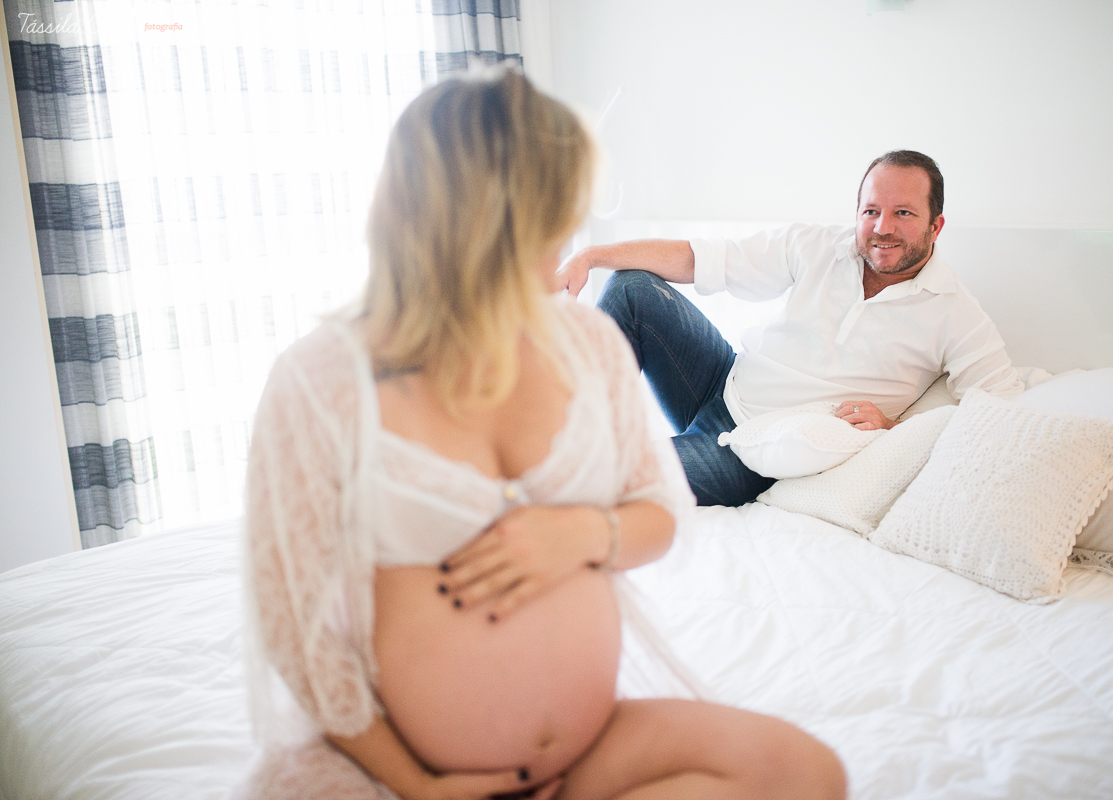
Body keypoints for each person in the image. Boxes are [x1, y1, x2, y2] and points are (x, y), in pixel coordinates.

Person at [239, 69, 845, 800]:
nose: (565, 241)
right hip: (415, 774)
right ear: (478, 218)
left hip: (586, 753)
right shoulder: (323, 379)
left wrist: (583, 535)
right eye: (553, 214)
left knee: (805, 774)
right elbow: (291, 623)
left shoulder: (585, 343)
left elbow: (659, 513)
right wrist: (419, 787)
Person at [557, 151, 1023, 507]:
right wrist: (590, 256)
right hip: (721, 381)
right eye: (870, 211)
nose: (882, 227)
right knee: (631, 287)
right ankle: (554, 428)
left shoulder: (954, 312)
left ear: (935, 226)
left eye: (903, 213)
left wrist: (895, 425)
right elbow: (702, 258)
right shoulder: (818, 245)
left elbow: (1000, 407)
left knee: (606, 476)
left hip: (752, 453)